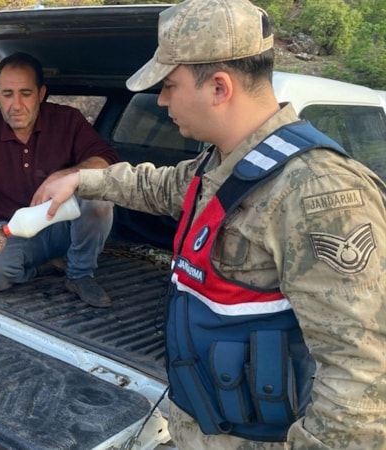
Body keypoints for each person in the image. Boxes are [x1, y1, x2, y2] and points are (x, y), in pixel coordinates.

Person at [41, 0, 386, 448]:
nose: (161, 100)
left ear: (219, 87)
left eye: (170, 85)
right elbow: (164, 186)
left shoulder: (316, 193)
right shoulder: (224, 162)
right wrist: (82, 180)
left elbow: (361, 375)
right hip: (205, 421)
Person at [0, 52, 119, 308]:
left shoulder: (68, 120)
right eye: (8, 94)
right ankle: (42, 269)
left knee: (99, 199)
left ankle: (80, 274)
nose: (16, 105)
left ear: (41, 94)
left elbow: (107, 158)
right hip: (10, 229)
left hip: (64, 224)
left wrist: (65, 175)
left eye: (25, 93)